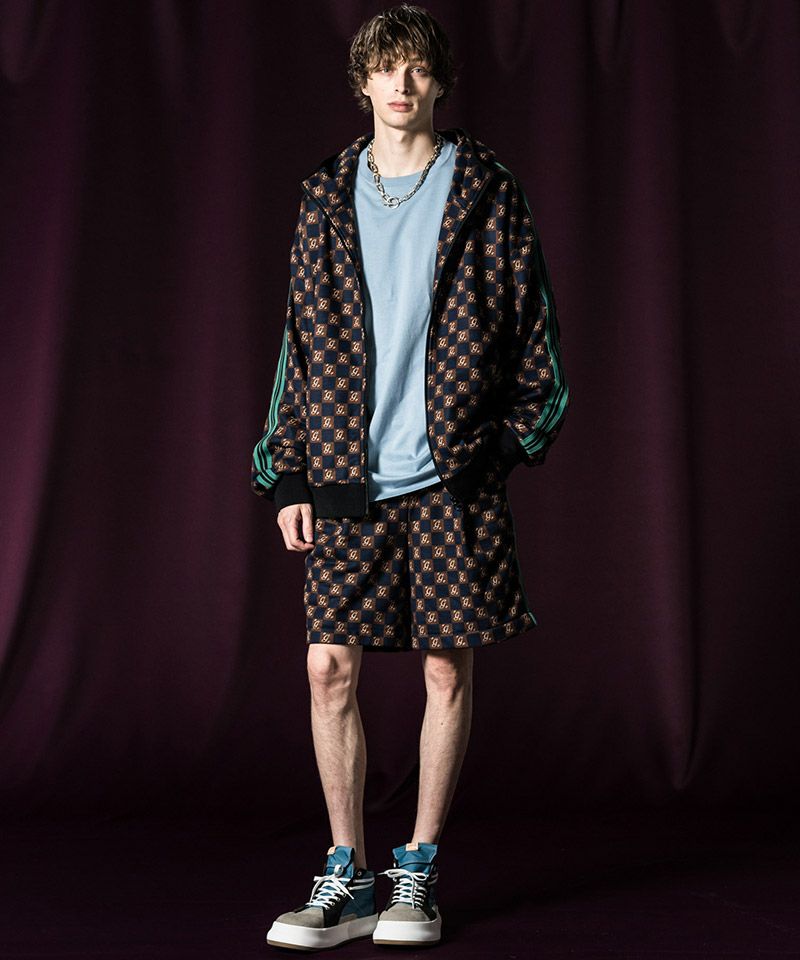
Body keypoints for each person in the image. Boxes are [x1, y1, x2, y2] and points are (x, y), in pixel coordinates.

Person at [251, 3, 569, 950]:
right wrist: (286, 472)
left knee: (444, 668)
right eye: (385, 68)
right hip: (345, 472)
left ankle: (417, 870)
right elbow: (298, 343)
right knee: (328, 669)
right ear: (363, 83)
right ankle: (346, 875)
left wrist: (499, 450)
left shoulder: (486, 189)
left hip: (450, 479)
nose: (401, 83)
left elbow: (538, 340)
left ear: (439, 81)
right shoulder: (324, 194)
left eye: (417, 68)